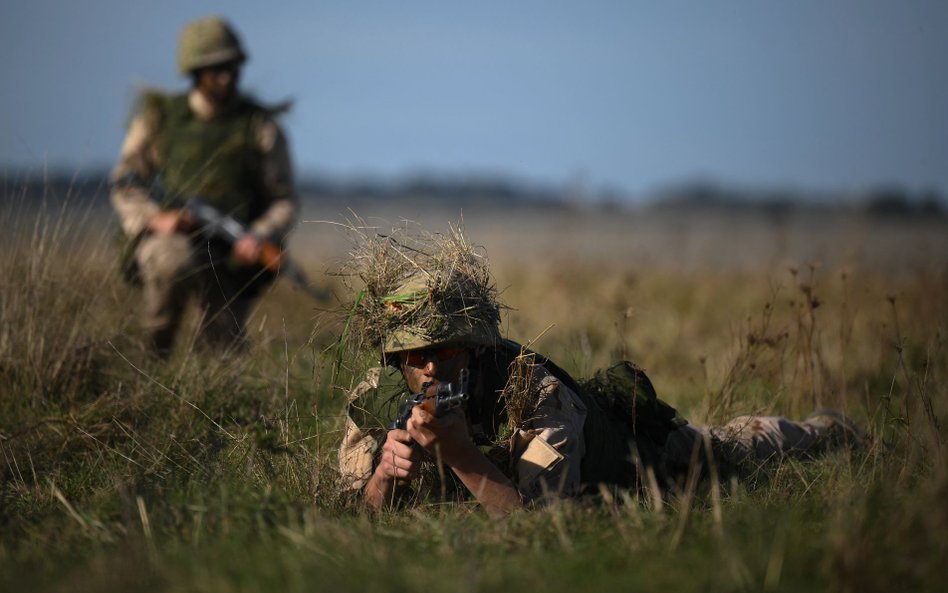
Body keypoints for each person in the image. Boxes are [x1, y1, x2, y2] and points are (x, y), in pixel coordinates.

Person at [337, 226, 863, 518]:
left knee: (726, 446)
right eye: (414, 354)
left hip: (630, 456)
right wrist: (384, 475)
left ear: (475, 351)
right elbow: (359, 517)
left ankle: (827, 431)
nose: (430, 366)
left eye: (448, 351)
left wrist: (460, 455)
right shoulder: (379, 399)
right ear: (393, 359)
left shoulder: (533, 394)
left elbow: (541, 530)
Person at [110, 16, 297, 357]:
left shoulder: (258, 126)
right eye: (215, 69)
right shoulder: (162, 119)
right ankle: (151, 359)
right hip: (173, 239)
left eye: (231, 67)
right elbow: (126, 181)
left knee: (223, 354)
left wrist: (259, 233)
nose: (226, 77)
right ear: (195, 72)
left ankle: (202, 398)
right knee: (170, 260)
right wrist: (153, 218)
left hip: (232, 252)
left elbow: (283, 200)